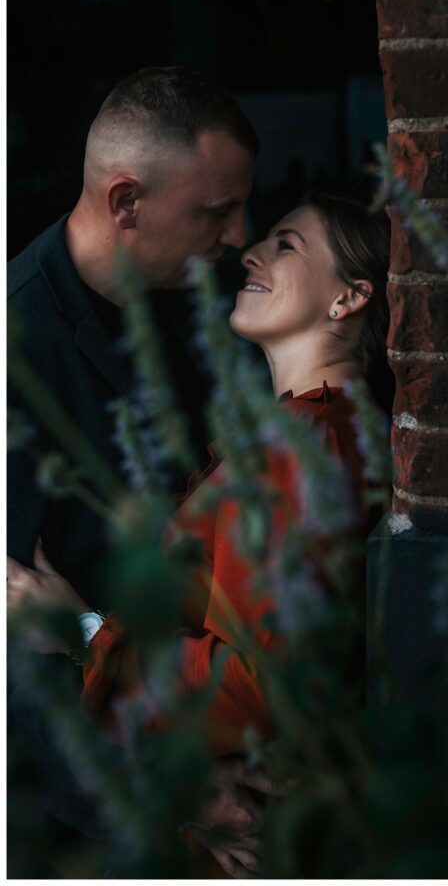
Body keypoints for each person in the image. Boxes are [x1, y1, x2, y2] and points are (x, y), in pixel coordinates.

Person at [8, 192, 392, 876]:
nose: (250, 251)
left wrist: (86, 630)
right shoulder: (304, 433)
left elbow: (256, 683)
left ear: (348, 299)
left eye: (287, 246)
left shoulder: (304, 444)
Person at [6, 66, 270, 874]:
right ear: (126, 203)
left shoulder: (224, 298)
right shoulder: (18, 344)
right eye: (215, 212)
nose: (239, 236)